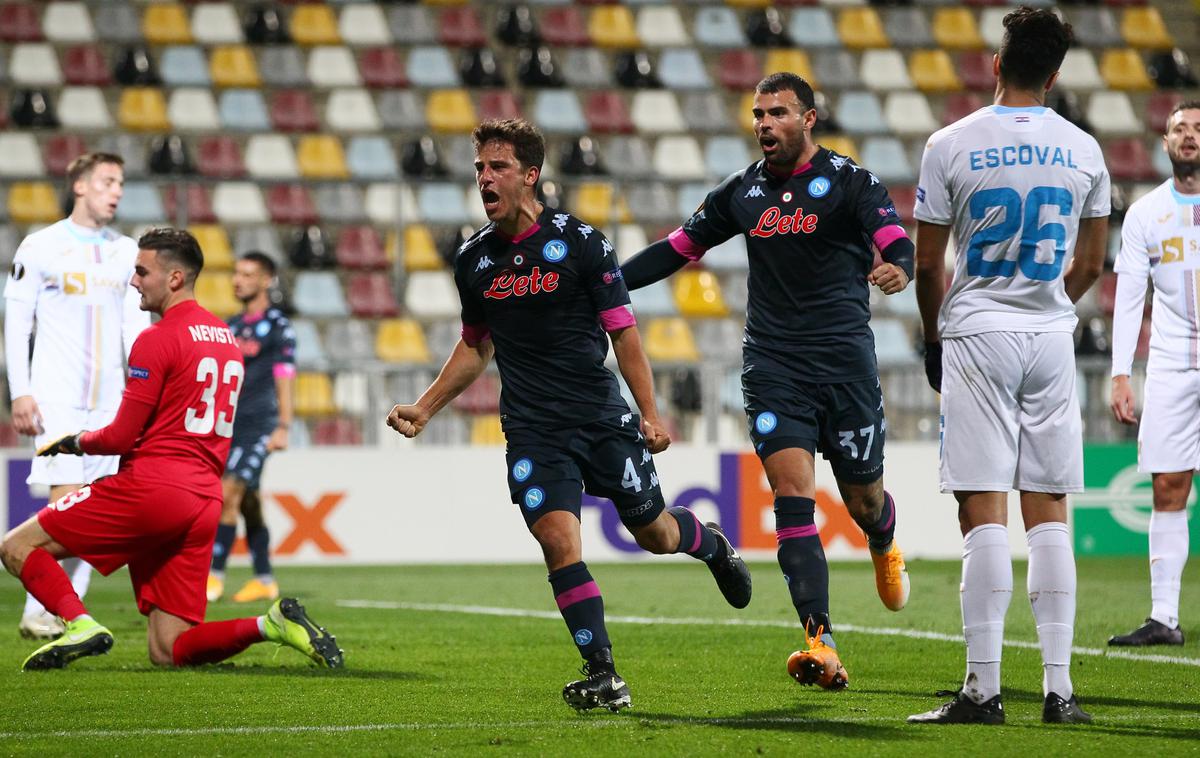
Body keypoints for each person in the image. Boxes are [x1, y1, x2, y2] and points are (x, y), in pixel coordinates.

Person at [387, 118, 752, 712]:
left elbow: (624, 335)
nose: (484, 177)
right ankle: (604, 673)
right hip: (533, 430)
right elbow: (478, 345)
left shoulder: (582, 242)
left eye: (497, 166)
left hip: (602, 420)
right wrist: (426, 408)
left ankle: (711, 545)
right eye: (480, 167)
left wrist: (650, 414)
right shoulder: (473, 261)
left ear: (530, 175)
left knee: (655, 533)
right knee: (560, 542)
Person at [620, 72, 913, 691]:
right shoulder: (743, 192)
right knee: (792, 496)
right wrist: (605, 283)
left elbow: (893, 237)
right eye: (757, 114)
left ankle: (883, 536)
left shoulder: (850, 181)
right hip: (774, 367)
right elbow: (678, 247)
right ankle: (820, 639)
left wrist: (899, 268)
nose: (763, 125)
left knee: (862, 501)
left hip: (845, 367)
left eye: (777, 113)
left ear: (809, 119)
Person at [0, 228, 341, 672]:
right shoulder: (226, 339)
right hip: (203, 500)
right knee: (169, 649)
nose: (134, 281)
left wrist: (75, 441)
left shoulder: (157, 339)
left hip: (153, 489)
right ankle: (270, 625)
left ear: (175, 278)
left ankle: (78, 623)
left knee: (16, 547)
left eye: (142, 272)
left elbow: (121, 437)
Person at [907, 7, 1109, 725]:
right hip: (1049, 335)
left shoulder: (951, 144)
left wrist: (935, 335)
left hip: (979, 332)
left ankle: (983, 690)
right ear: (1055, 75)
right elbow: (1091, 262)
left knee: (981, 504)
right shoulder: (1085, 150)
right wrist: (1050, 303)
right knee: (1049, 507)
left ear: (998, 64)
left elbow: (928, 263)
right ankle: (1059, 691)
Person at [4, 152, 151, 640]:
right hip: (57, 399)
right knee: (66, 504)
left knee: (96, 511)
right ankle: (41, 610)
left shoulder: (125, 250)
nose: (117, 191)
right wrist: (21, 392)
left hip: (112, 401)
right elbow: (18, 320)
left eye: (121, 183)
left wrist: (142, 392)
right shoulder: (41, 245)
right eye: (108, 181)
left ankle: (68, 612)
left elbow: (136, 327)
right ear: (80, 186)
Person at [1108, 101, 1200, 648]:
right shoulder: (1145, 214)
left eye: (1198, 130)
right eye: (1180, 129)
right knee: (1169, 484)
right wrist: (1121, 373)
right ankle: (1164, 616)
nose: (1190, 137)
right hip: (1169, 367)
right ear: (1164, 142)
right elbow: (1128, 300)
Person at [207, 252, 296, 604]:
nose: (236, 280)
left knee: (228, 493)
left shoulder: (278, 326)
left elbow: (285, 376)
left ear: (265, 280)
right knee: (249, 502)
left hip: (261, 425)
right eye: (235, 273)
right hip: (229, 426)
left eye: (246, 274)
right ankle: (264, 578)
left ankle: (213, 577)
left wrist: (284, 426)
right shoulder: (229, 326)